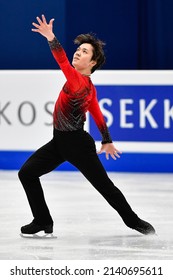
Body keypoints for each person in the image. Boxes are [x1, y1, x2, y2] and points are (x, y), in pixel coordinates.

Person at [18, 15, 155, 236]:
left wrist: (51, 37)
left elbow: (61, 59)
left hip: (77, 145)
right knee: (27, 173)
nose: (78, 52)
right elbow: (98, 115)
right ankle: (42, 219)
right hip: (59, 143)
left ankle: (134, 221)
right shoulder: (89, 86)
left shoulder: (76, 81)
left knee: (104, 186)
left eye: (84, 52)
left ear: (92, 63)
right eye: (79, 49)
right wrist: (107, 140)